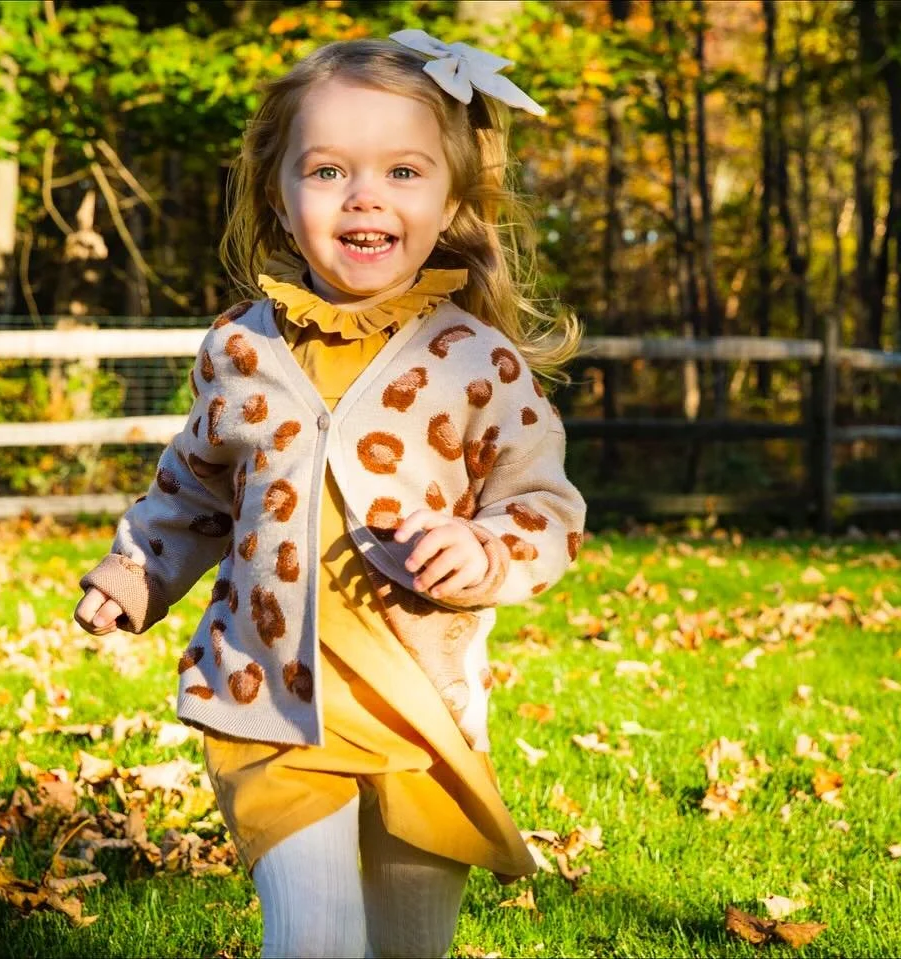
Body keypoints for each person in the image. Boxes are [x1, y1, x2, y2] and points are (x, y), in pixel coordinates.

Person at [73, 29, 585, 959]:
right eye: (327, 171)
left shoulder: (478, 361)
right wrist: (137, 570)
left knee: (405, 945)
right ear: (278, 191)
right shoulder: (242, 350)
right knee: (315, 939)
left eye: (402, 171)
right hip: (267, 694)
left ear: (453, 194)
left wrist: (484, 550)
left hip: (419, 706)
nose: (366, 196)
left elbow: (547, 511)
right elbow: (193, 486)